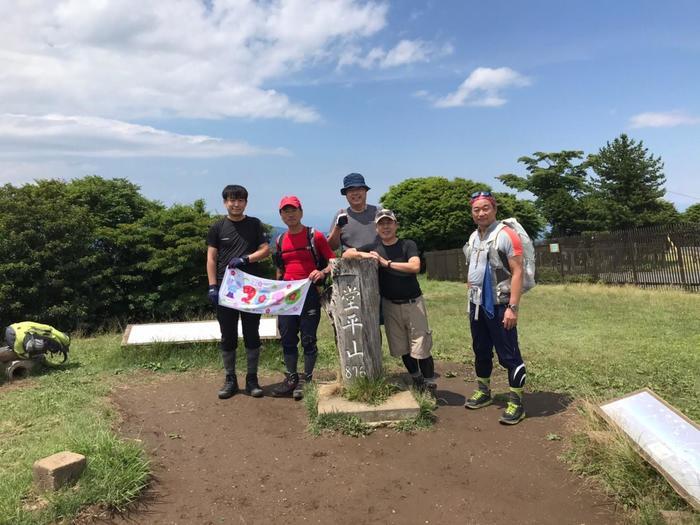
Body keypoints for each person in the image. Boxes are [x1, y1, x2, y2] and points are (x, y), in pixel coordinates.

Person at [343, 209, 436, 391]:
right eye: (381, 224)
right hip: (389, 304)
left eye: (389, 223)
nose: (385, 227)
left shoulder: (407, 244)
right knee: (401, 347)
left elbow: (415, 266)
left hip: (413, 303)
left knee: (421, 346)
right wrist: (366, 255)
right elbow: (347, 254)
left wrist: (387, 263)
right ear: (376, 228)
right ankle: (416, 379)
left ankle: (431, 384)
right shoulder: (374, 248)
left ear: (396, 225)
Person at [464, 191, 527, 425]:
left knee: (509, 353)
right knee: (480, 349)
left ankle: (516, 402)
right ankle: (483, 391)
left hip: (501, 304)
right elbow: (473, 268)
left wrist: (513, 307)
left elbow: (518, 271)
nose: (481, 213)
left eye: (485, 208)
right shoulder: (473, 237)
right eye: (476, 209)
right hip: (477, 304)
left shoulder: (506, 235)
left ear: (494, 209)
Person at [206, 185, 270, 400]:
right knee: (228, 334)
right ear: (225, 202)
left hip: (251, 288)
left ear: (245, 202)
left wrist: (246, 258)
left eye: (240, 200)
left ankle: (252, 379)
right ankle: (230, 379)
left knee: (252, 332)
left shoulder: (254, 224)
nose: (236, 203)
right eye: (232, 200)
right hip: (226, 289)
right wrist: (213, 286)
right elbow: (211, 258)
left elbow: (265, 250)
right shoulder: (217, 227)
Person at [273, 196, 335, 400]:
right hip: (287, 296)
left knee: (308, 338)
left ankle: (307, 379)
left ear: (301, 212)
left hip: (309, 293)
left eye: (293, 210)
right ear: (281, 215)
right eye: (285, 211)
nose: (290, 215)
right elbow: (280, 269)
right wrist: (276, 296)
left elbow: (333, 262)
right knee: (287, 338)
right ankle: (292, 378)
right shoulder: (280, 240)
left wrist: (322, 272)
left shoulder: (314, 236)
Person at [327, 173, 380, 251]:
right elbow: (331, 247)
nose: (355, 193)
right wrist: (338, 227)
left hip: (379, 260)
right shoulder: (340, 215)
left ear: (365, 191)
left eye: (359, 189)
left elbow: (391, 238)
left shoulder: (379, 212)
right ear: (346, 195)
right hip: (350, 261)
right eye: (351, 190)